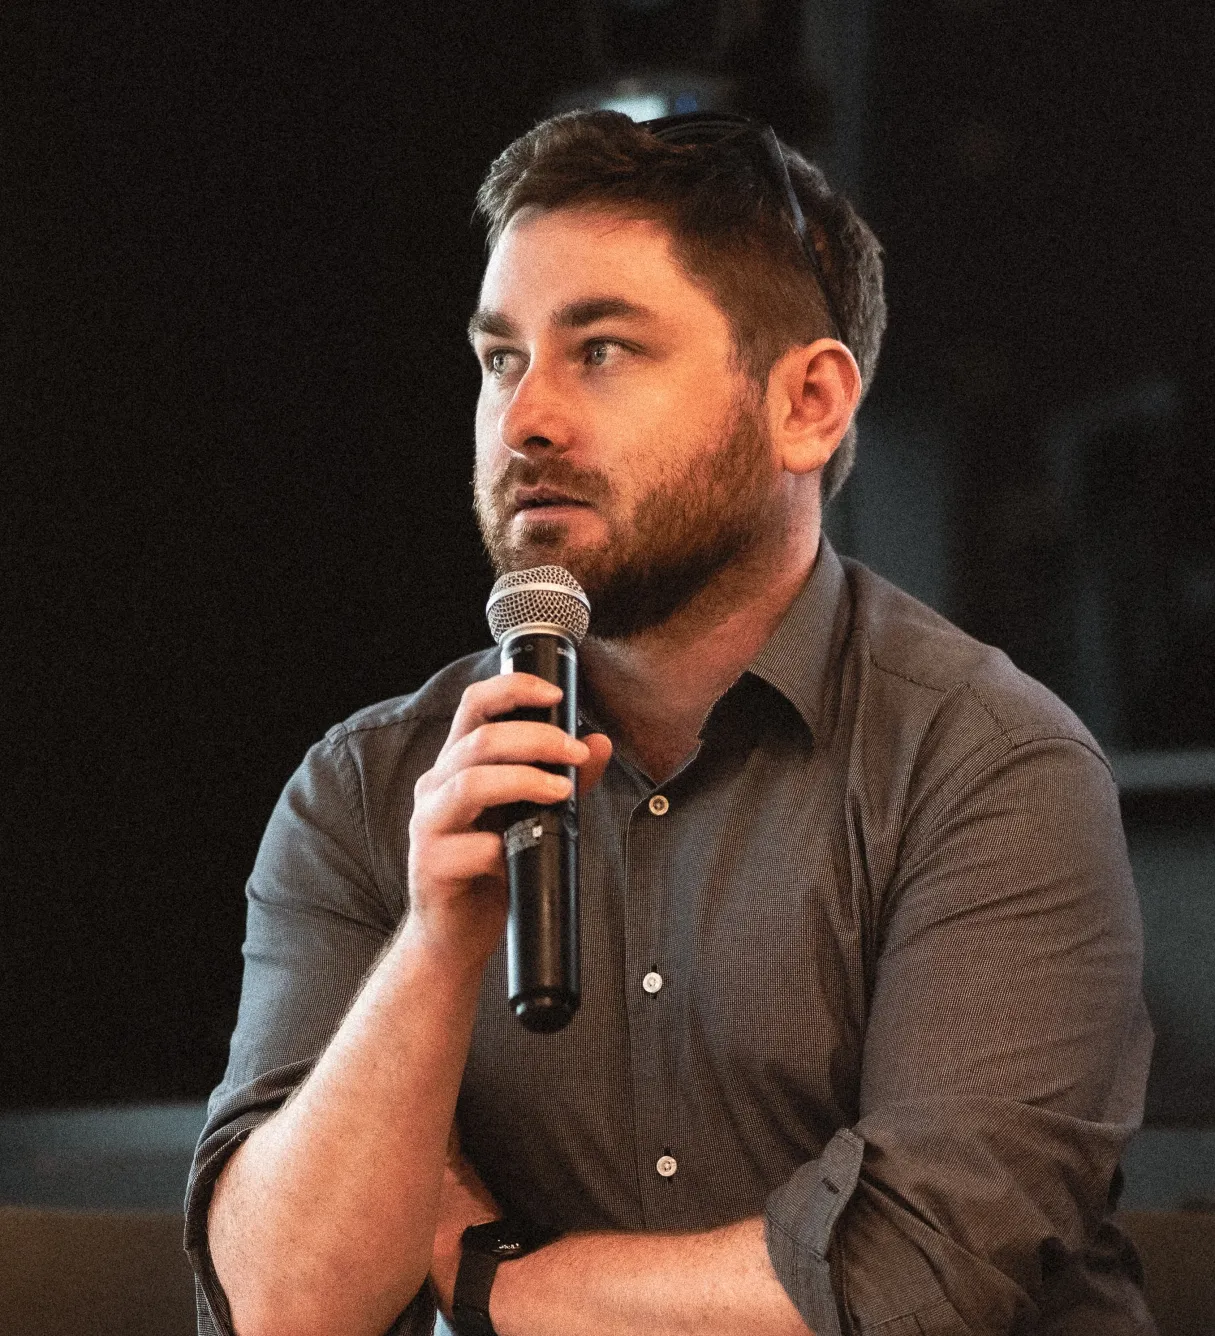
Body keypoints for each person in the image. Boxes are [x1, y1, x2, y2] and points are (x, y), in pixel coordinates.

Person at [185, 110, 1155, 1336]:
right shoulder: (373, 790)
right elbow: (280, 1310)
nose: (526, 418)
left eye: (601, 351)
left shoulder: (992, 770)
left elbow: (912, 1287)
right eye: (499, 359)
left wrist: (486, 1282)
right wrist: (434, 946)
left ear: (808, 403)